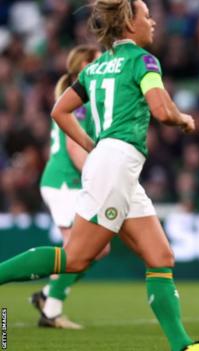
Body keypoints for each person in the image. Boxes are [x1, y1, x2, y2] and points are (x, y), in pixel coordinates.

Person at [0, 1, 199, 350]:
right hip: (118, 163)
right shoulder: (144, 61)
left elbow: (59, 111)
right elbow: (161, 110)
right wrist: (183, 119)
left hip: (116, 164)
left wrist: (92, 146)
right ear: (128, 23)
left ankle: (183, 346)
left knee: (160, 257)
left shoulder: (96, 68)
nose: (152, 21)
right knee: (75, 257)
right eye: (146, 15)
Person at [31, 45, 111, 330]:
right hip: (65, 183)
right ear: (86, 66)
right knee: (76, 250)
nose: (106, 65)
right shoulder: (79, 101)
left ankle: (46, 296)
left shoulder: (78, 97)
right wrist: (101, 175)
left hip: (66, 183)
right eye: (100, 61)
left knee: (98, 249)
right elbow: (74, 148)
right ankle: (51, 310)